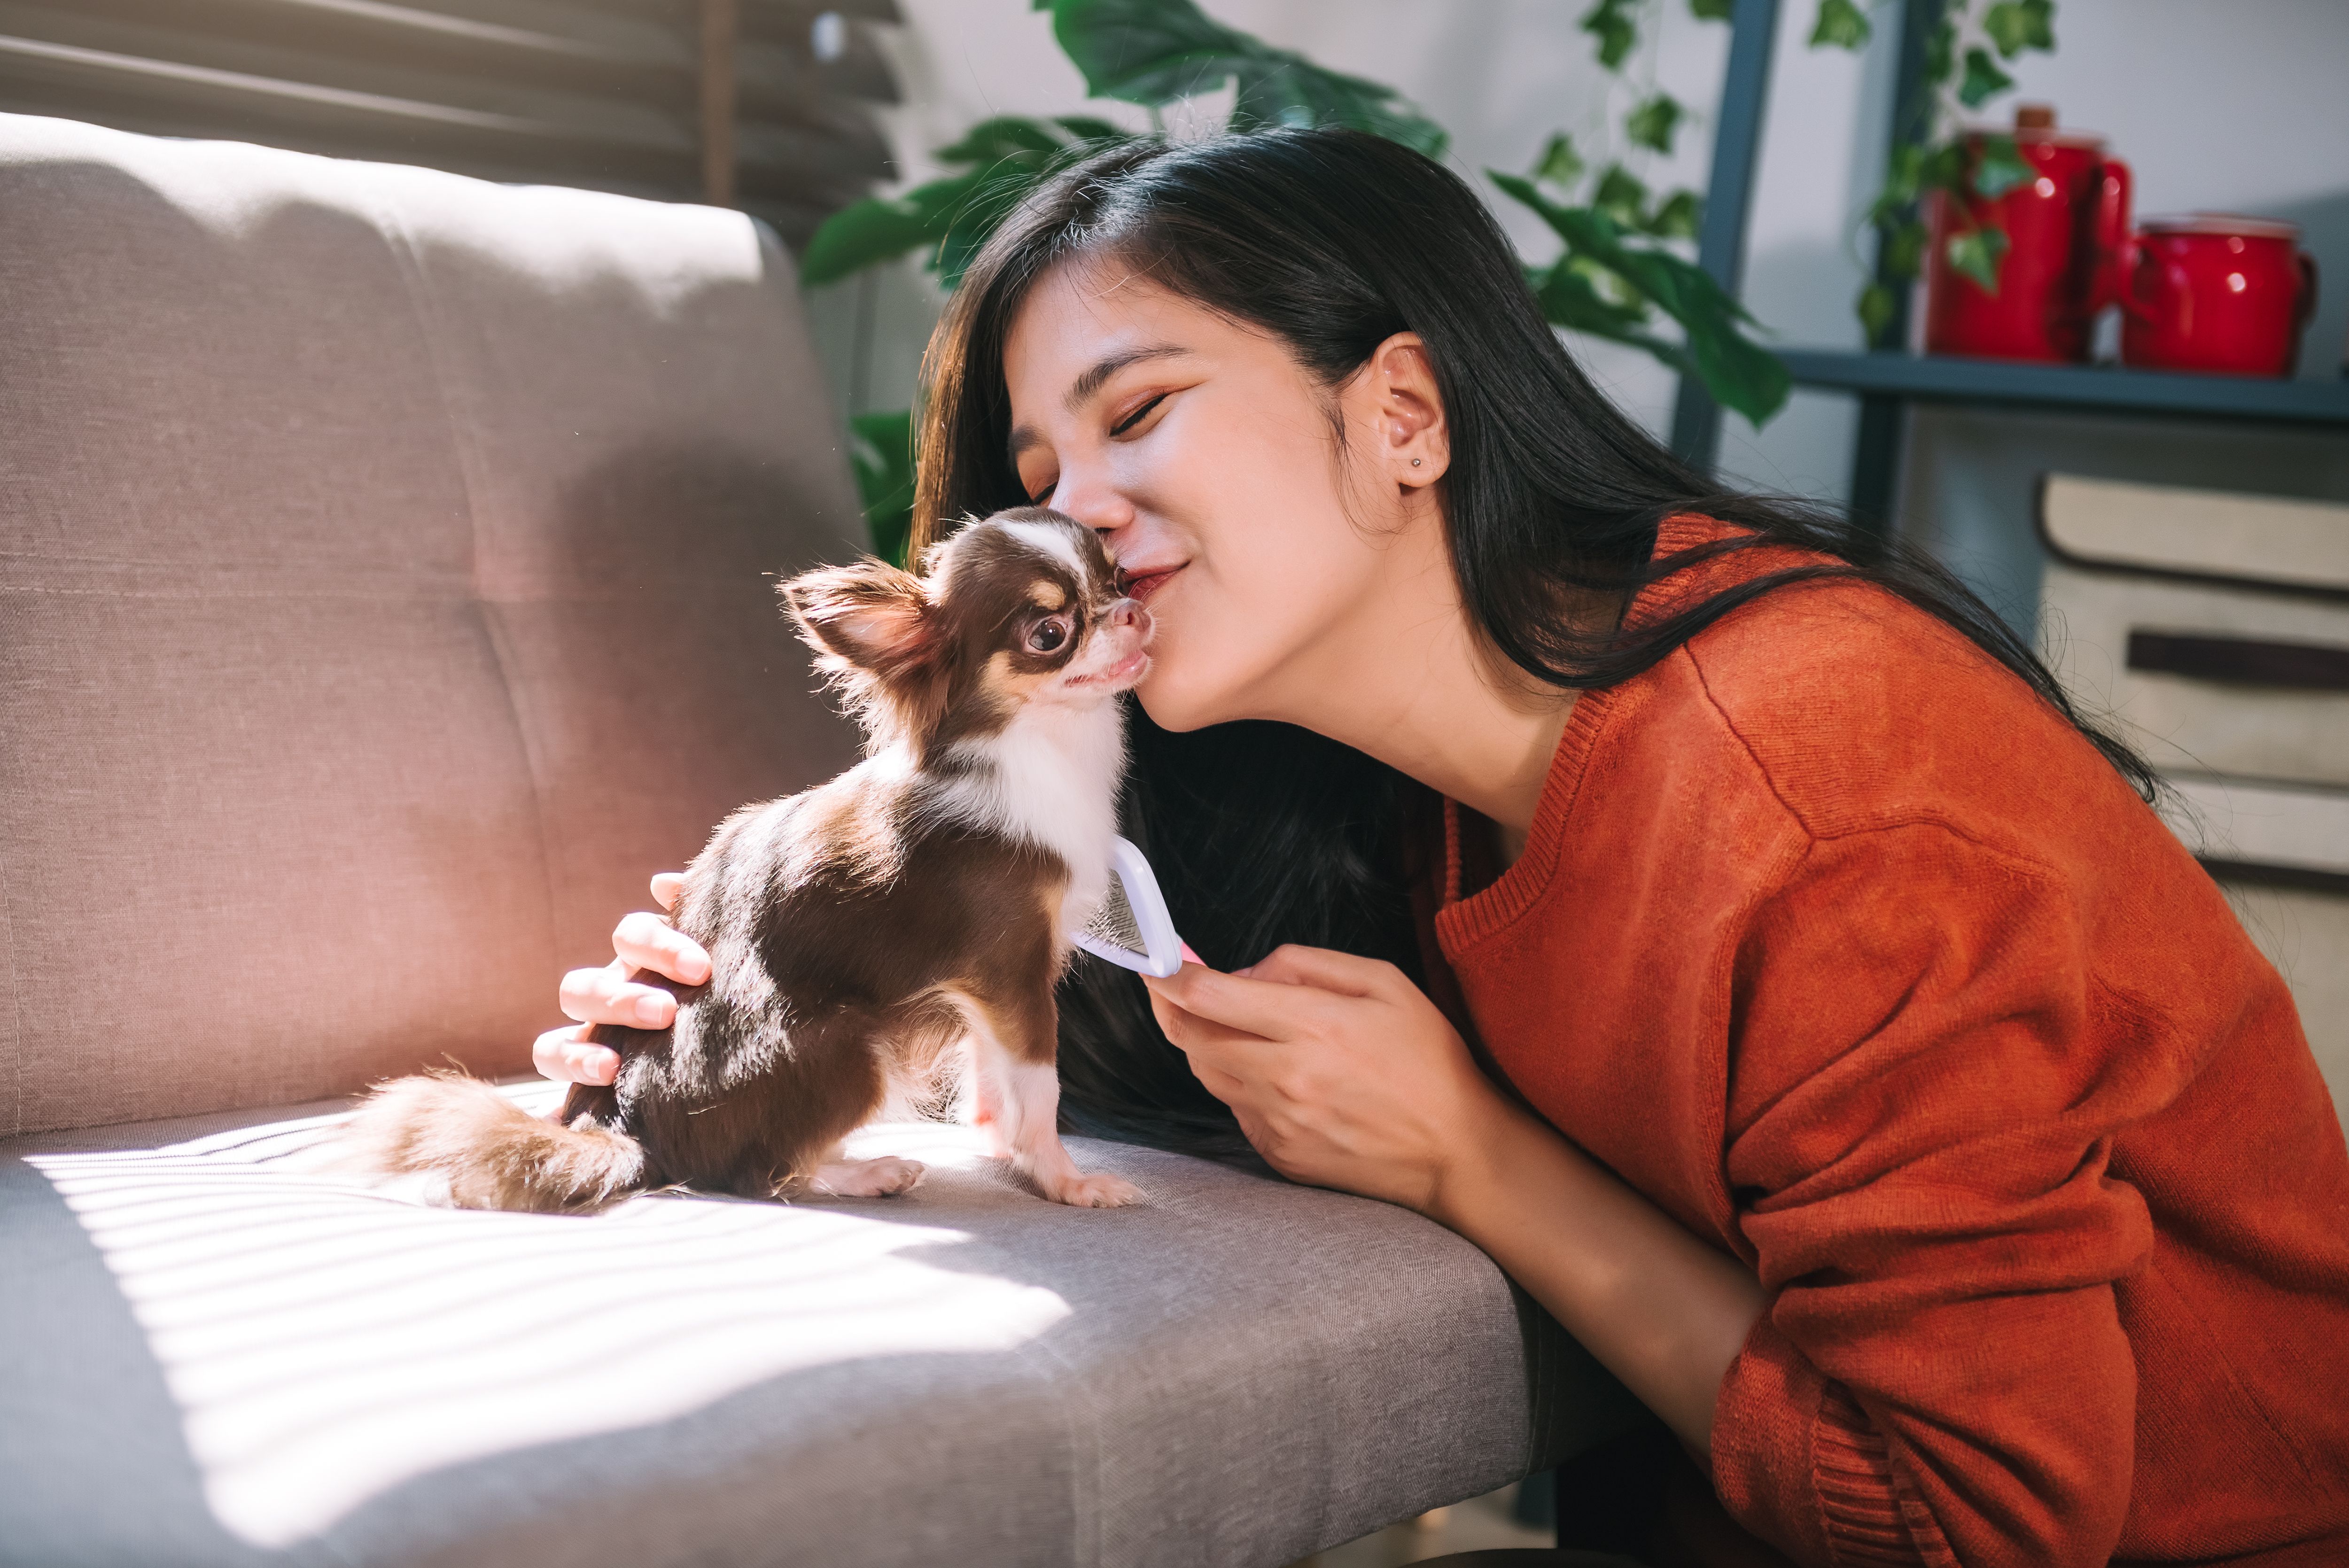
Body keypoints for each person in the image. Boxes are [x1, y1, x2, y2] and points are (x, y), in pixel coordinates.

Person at [531, 130, 2349, 1566]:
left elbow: (1979, 1527)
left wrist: (1475, 1159)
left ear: (1403, 415)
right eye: (1035, 465)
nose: (1069, 512)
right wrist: (751, 1024)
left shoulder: (1827, 801)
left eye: (1138, 411)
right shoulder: (1370, 783)